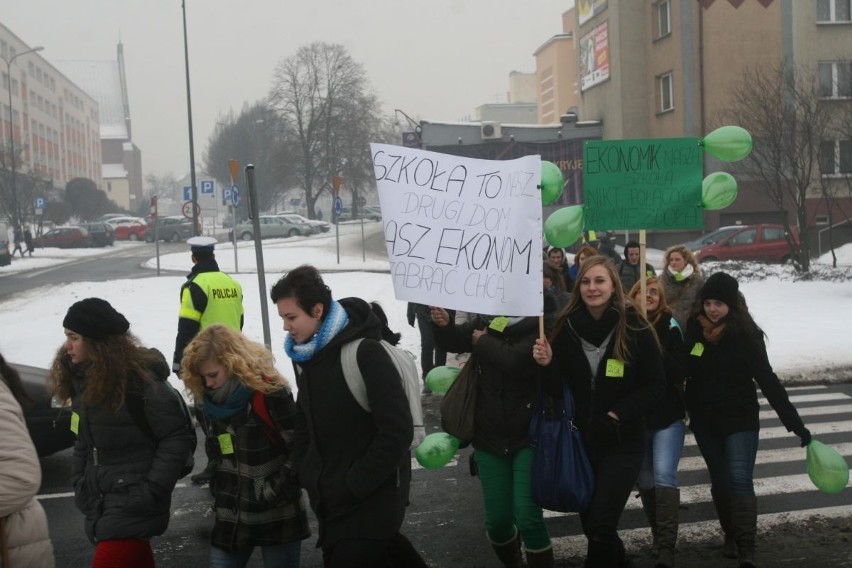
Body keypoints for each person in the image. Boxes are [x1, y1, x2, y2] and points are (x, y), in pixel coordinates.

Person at [270, 265, 416, 567]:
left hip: (371, 500)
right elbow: (304, 421)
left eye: (291, 317)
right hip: (331, 501)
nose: (286, 326)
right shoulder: (306, 357)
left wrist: (353, 484)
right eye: (283, 318)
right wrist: (301, 471)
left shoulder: (365, 353)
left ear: (318, 310)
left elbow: (397, 432)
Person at [533, 256, 665, 567]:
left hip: (623, 441)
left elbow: (655, 384)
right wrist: (547, 365)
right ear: (578, 287)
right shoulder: (565, 327)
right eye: (587, 282)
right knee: (594, 527)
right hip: (582, 443)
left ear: (613, 286)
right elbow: (556, 390)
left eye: (600, 281)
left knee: (602, 524)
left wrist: (618, 414)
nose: (593, 288)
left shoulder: (634, 325)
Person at [48, 297, 195, 568]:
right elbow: (82, 439)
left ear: (97, 342)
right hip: (104, 499)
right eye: (67, 336)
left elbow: (176, 437)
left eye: (74, 337)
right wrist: (80, 480)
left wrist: (151, 489)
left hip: (133, 500)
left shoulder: (140, 383)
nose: (67, 345)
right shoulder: (82, 380)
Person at [684, 272, 811, 568]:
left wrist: (794, 423)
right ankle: (730, 535)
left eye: (719, 304)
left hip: (740, 418)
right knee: (721, 479)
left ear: (731, 305)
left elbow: (767, 380)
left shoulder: (746, 334)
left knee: (740, 478)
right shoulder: (694, 330)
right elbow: (684, 369)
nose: (712, 309)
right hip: (705, 420)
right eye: (708, 303)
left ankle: (746, 547)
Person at [430, 301, 557, 568]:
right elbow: (453, 340)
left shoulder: (541, 324)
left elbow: (514, 360)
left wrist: (482, 341)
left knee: (528, 517)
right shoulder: (487, 321)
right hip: (488, 437)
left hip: (528, 436)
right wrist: (442, 325)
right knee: (498, 523)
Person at [180, 324, 310, 567]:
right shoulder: (207, 402)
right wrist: (220, 492)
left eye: (213, 375)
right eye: (202, 377)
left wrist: (271, 492)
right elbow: (218, 453)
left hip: (276, 514)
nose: (207, 384)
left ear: (233, 364)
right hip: (231, 516)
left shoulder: (269, 392)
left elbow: (300, 448)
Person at [172, 235, 244, 485]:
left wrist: (179, 362)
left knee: (212, 420)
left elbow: (187, 327)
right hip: (235, 359)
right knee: (234, 416)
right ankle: (235, 460)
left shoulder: (194, 286)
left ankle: (218, 464)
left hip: (209, 364)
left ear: (194, 258)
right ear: (213, 256)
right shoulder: (231, 283)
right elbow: (240, 320)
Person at [628, 277, 687, 568]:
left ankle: (666, 547)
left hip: (666, 418)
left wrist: (656, 347)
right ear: (633, 295)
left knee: (664, 476)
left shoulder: (670, 327)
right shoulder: (625, 326)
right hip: (637, 419)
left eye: (655, 292)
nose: (649, 295)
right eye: (643, 291)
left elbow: (680, 373)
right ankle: (656, 534)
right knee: (646, 480)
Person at [0, 353, 56, 567]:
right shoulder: (68, 369)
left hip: (14, 544)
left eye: (74, 337)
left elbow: (20, 477)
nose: (69, 345)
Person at [407, 302, 447, 392]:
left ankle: (440, 375)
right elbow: (414, 291)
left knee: (441, 345)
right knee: (427, 344)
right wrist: (410, 313)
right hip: (422, 311)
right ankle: (427, 378)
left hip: (441, 311)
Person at [661, 245, 704, 328]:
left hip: (690, 328)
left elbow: (699, 307)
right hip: (668, 327)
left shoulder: (697, 281)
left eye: (677, 259)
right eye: (671, 260)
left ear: (686, 261)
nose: (673, 262)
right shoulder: (662, 280)